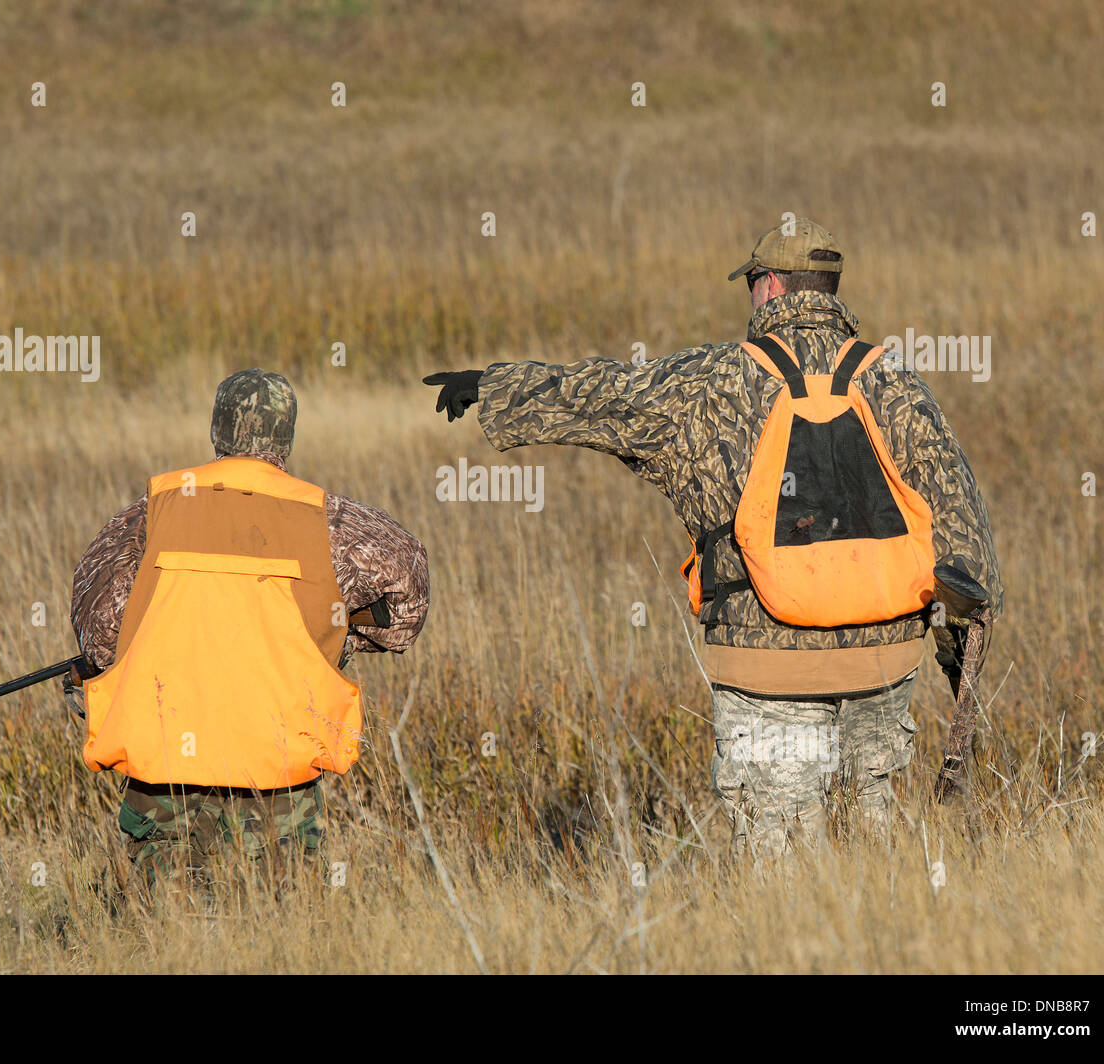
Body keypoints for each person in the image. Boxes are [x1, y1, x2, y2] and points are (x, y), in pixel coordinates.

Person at [424, 218, 1001, 857]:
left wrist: (495, 385)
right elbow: (962, 534)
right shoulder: (895, 381)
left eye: (752, 281)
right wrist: (957, 662)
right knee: (879, 853)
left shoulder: (715, 379)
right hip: (884, 664)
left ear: (771, 285)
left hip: (765, 667)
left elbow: (608, 398)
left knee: (780, 866)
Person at [70, 369, 428, 885]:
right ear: (287, 436)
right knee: (278, 922)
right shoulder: (328, 520)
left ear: (217, 430)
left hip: (166, 765)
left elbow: (101, 634)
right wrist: (340, 632)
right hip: (278, 765)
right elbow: (408, 600)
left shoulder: (153, 511)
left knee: (165, 928)